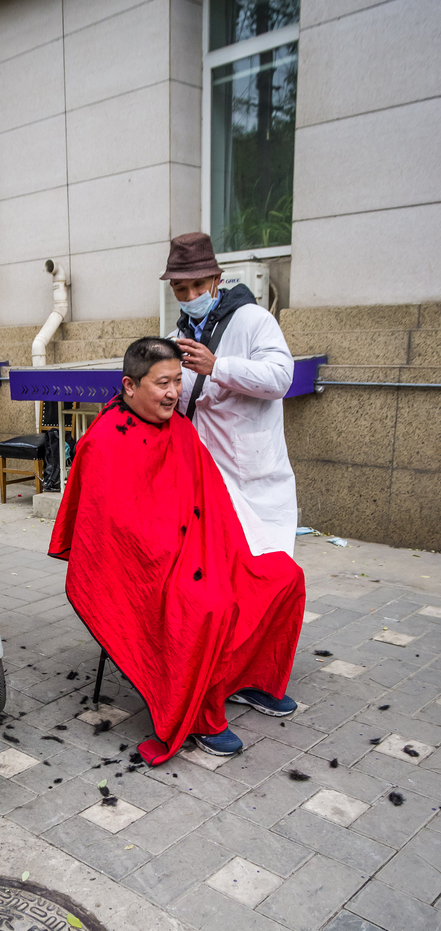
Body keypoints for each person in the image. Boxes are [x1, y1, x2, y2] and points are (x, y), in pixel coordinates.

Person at [48, 337, 305, 762]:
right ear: (130, 386)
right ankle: (202, 716)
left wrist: (226, 549)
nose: (173, 393)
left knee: (283, 577)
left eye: (178, 382)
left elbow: (212, 498)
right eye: (162, 383)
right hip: (144, 567)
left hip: (203, 551)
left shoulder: (179, 428)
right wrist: (174, 556)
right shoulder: (104, 441)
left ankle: (244, 680)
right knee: (207, 604)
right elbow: (113, 530)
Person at [162, 230, 301, 720]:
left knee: (271, 580)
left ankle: (258, 679)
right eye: (181, 289)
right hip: (206, 477)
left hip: (257, 476)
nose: (191, 297)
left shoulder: (254, 320)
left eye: (198, 286)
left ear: (217, 280)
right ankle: (224, 676)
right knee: (220, 586)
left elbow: (280, 378)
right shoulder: (179, 329)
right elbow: (177, 397)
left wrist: (219, 366)